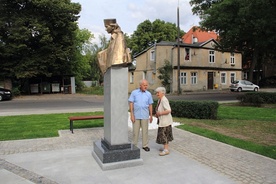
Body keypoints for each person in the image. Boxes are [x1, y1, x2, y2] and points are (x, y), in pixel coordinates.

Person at [128, 79, 153, 152]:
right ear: (140, 85)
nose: (146, 86)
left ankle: (145, 145)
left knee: (145, 131)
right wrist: (131, 115)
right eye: (144, 85)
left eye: (146, 85)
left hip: (145, 115)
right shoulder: (134, 93)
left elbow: (150, 105)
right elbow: (131, 103)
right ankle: (134, 145)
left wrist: (151, 115)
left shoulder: (148, 94)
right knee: (135, 132)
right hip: (136, 115)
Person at [155, 87, 174, 156]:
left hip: (165, 121)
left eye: (158, 93)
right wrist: (157, 114)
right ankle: (165, 147)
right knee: (165, 134)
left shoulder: (164, 100)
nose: (157, 94)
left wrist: (160, 113)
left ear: (163, 93)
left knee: (163, 135)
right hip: (162, 120)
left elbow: (168, 110)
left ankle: (166, 150)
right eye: (156, 93)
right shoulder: (160, 100)